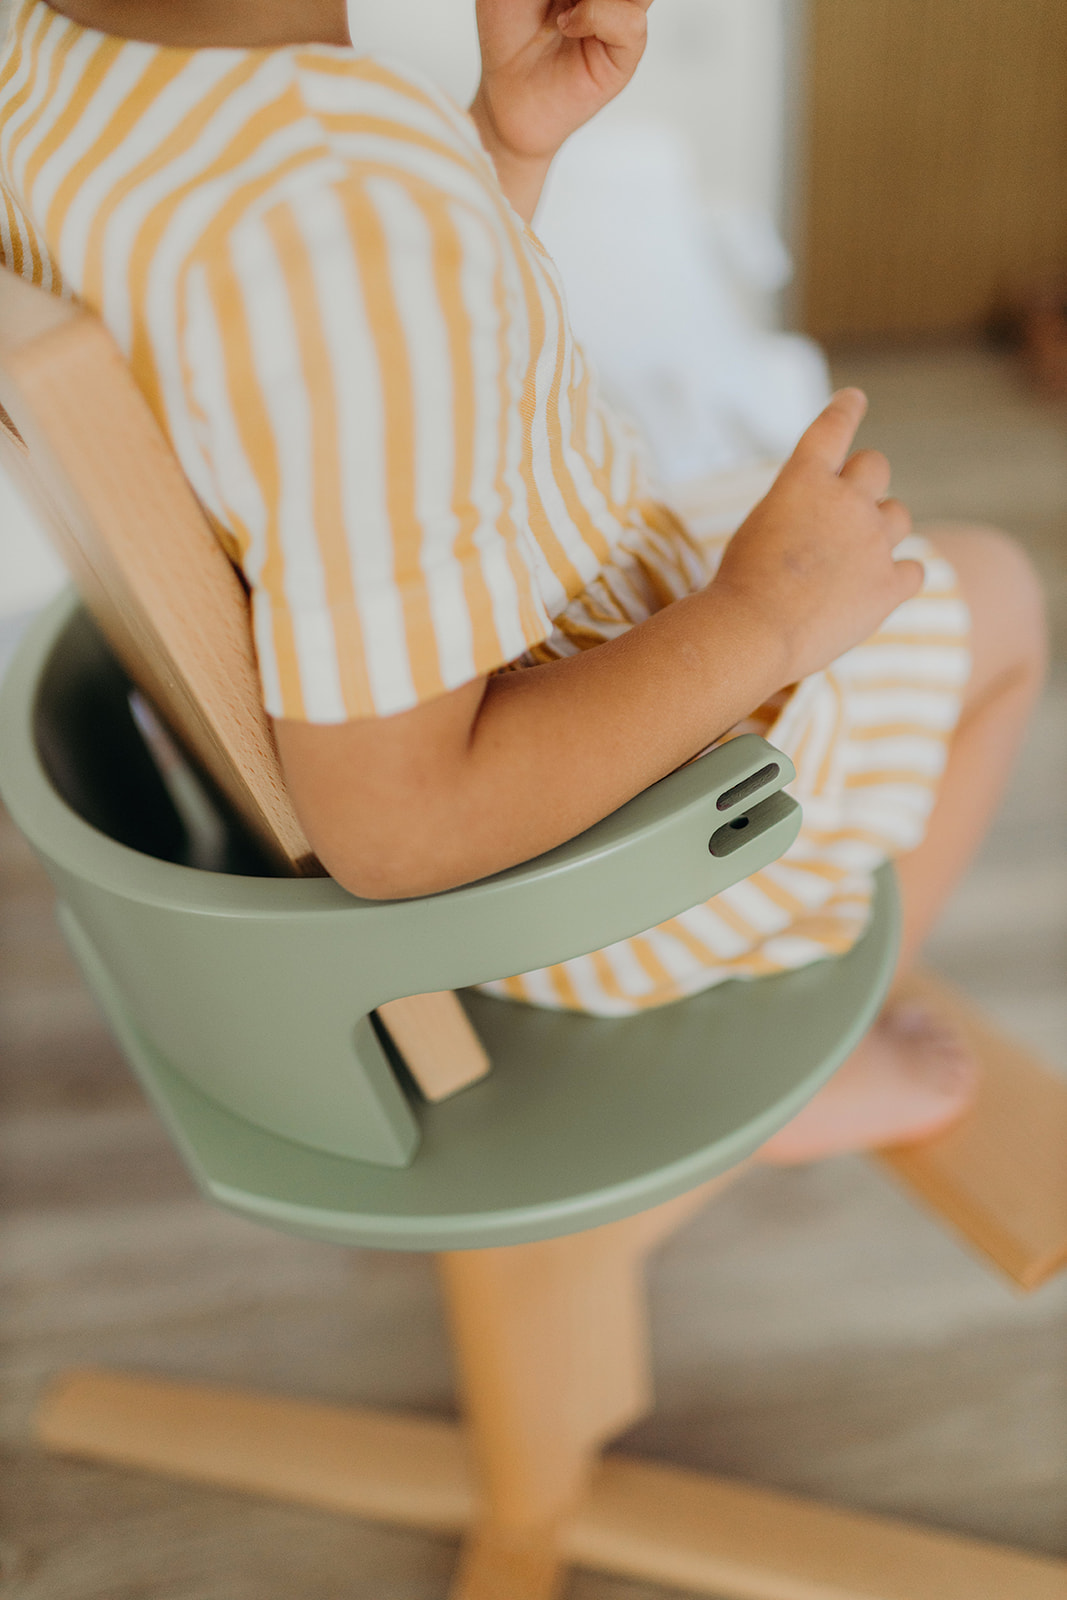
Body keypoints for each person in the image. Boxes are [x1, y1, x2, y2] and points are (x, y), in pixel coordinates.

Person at [0, 0, 1047, 1161]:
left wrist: (499, 146)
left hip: (479, 678)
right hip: (588, 865)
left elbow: (318, 394)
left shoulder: (50, 70)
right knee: (998, 596)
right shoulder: (349, 210)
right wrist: (762, 618)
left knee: (775, 508)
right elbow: (399, 827)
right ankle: (815, 1049)